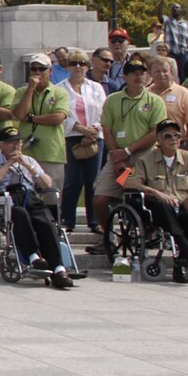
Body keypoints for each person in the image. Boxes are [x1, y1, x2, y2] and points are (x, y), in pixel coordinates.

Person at [0, 126, 75, 288]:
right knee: (19, 214)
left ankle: (59, 268)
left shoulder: (29, 161)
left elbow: (48, 184)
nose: (15, 146)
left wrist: (27, 166)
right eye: (10, 142)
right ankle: (34, 257)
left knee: (46, 221)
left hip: (29, 197)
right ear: (1, 145)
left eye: (18, 142)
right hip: (5, 199)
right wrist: (9, 164)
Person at [127, 121, 188, 283]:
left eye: (177, 135)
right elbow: (129, 182)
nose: (173, 139)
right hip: (158, 207)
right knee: (162, 206)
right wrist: (156, 193)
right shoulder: (145, 160)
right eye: (168, 136)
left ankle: (181, 263)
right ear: (159, 140)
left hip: (182, 205)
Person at [93, 57, 168, 244]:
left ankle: (150, 232)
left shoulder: (155, 101)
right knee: (100, 198)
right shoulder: (112, 100)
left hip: (145, 156)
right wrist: (118, 157)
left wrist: (128, 151)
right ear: (124, 76)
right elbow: (107, 129)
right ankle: (108, 237)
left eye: (142, 73)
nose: (139, 77)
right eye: (134, 73)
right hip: (117, 156)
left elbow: (156, 131)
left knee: (143, 196)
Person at [57, 48, 106, 238]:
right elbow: (62, 114)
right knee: (72, 181)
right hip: (71, 137)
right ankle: (67, 220)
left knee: (93, 181)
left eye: (82, 63)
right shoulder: (60, 88)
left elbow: (103, 111)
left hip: (95, 136)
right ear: (67, 66)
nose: (78, 67)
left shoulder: (96, 87)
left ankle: (94, 221)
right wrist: (79, 128)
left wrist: (92, 130)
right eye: (73, 63)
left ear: (88, 66)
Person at [10, 52, 71, 197]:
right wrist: (30, 89)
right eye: (34, 69)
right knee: (25, 195)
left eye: (42, 69)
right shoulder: (21, 92)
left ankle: (53, 220)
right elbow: (19, 114)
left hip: (51, 153)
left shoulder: (59, 92)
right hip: (26, 152)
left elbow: (57, 117)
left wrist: (31, 118)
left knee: (51, 196)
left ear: (50, 71)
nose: (37, 72)